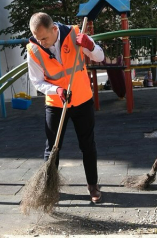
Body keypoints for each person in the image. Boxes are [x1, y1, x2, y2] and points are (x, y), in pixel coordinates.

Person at [27, 12, 104, 203]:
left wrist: (90, 45)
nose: (41, 42)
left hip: (82, 99)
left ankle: (92, 186)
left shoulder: (76, 34)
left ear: (54, 29)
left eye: (44, 38)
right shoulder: (34, 50)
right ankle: (48, 187)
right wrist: (55, 90)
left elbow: (100, 57)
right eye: (37, 38)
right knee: (52, 148)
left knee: (87, 145)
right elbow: (36, 81)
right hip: (56, 103)